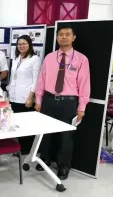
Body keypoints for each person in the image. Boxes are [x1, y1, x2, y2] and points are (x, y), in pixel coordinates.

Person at [34, 23, 90, 180]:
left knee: (66, 136)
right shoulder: (50, 58)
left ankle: (63, 165)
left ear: (73, 37)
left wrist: (82, 107)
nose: (63, 37)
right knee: (45, 132)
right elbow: (42, 80)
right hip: (49, 100)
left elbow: (84, 84)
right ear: (57, 37)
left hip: (68, 103)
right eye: (61, 34)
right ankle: (44, 158)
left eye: (67, 34)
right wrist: (38, 99)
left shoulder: (81, 59)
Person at [6, 35, 41, 155]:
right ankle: (19, 147)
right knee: (16, 123)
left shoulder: (34, 59)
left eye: (24, 44)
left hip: (26, 97)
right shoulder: (16, 58)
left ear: (30, 45)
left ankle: (26, 150)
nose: (21, 46)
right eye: (19, 44)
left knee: (26, 125)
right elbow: (13, 78)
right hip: (13, 96)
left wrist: (31, 97)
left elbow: (36, 80)